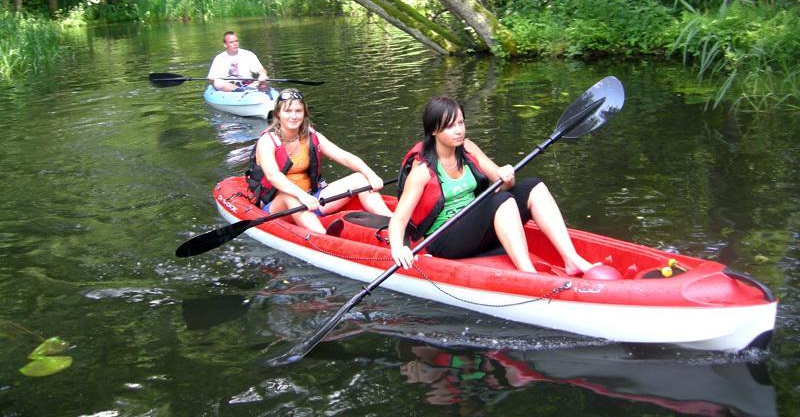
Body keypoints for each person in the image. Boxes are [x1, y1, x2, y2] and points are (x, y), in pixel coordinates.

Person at [389, 96, 597, 274]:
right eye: (451, 126)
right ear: (434, 130)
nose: (459, 130)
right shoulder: (422, 171)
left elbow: (504, 186)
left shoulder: (468, 148)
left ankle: (571, 259)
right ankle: (528, 274)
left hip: (474, 227)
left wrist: (508, 177)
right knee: (501, 200)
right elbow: (398, 219)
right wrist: (399, 250)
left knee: (534, 186)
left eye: (461, 123)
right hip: (444, 240)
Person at [246, 89, 393, 234]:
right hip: (279, 207)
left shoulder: (311, 136)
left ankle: (393, 222)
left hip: (313, 199)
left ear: (304, 113)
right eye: (288, 111)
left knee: (360, 178)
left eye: (298, 111)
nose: (293, 116)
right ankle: (326, 239)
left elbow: (344, 156)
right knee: (290, 197)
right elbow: (273, 175)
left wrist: (371, 174)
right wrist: (301, 195)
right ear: (278, 113)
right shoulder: (267, 141)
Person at [207, 30, 278, 98]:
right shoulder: (219, 58)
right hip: (229, 87)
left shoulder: (248, 54)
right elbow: (211, 79)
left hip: (248, 85)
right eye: (231, 42)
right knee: (217, 82)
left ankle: (265, 97)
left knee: (266, 79)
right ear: (225, 45)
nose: (235, 44)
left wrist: (263, 74)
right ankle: (241, 92)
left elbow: (261, 70)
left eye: (236, 41)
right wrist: (211, 79)